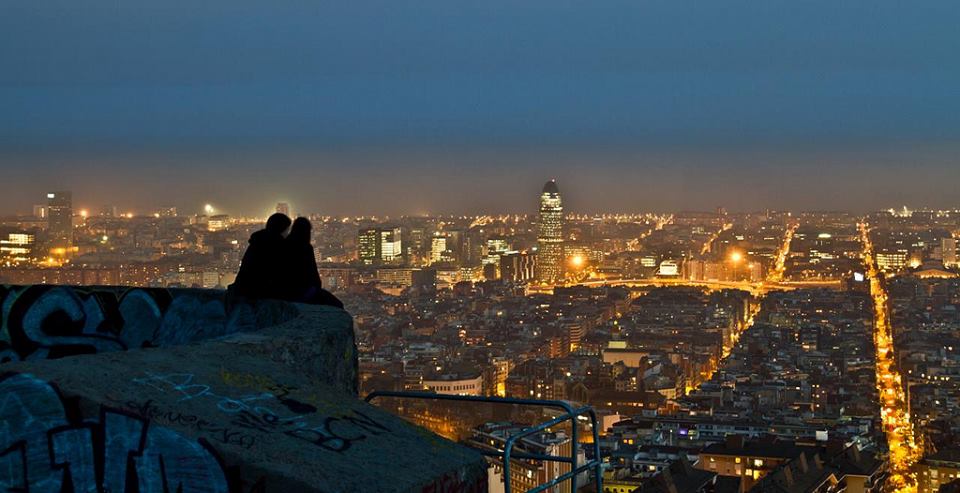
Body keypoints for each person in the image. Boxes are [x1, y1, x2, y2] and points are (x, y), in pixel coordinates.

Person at [282, 217, 344, 308]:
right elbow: (312, 270)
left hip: (286, 290)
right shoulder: (305, 247)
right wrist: (316, 288)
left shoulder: (284, 244)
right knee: (337, 305)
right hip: (303, 290)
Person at [230, 213, 291, 299]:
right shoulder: (277, 246)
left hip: (243, 291)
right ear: (281, 230)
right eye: (287, 230)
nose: (288, 234)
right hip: (262, 295)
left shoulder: (256, 242)